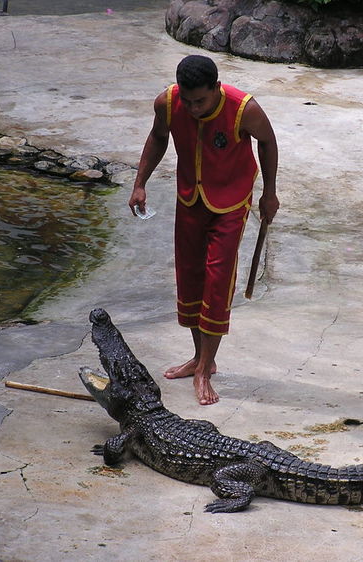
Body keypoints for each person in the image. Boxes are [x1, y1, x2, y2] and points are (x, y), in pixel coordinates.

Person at [129, 55, 279, 406]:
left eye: (201, 101)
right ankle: (200, 358)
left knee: (217, 277)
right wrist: (140, 183)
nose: (194, 108)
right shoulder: (167, 102)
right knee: (191, 275)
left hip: (230, 201)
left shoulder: (245, 109)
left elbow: (268, 142)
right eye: (188, 100)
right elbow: (157, 137)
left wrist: (269, 193)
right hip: (190, 197)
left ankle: (205, 365)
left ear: (216, 88)